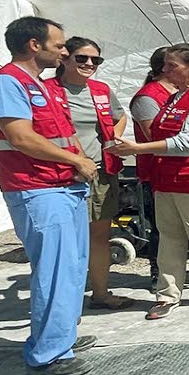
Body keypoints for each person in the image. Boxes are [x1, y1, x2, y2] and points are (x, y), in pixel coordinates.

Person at [0, 17, 98, 375]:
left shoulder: (43, 87)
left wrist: (79, 161)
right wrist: (77, 159)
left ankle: (60, 337)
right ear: (34, 44)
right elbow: (21, 138)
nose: (64, 52)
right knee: (55, 270)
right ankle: (48, 354)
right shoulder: (4, 84)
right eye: (59, 46)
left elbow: (63, 133)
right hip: (38, 189)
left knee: (72, 268)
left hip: (64, 186)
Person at [108, 43, 189, 320]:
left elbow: (188, 140)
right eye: (164, 65)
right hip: (168, 180)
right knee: (169, 239)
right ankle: (167, 294)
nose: (163, 71)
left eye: (170, 66)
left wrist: (137, 149)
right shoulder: (176, 97)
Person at [45, 37, 133, 312]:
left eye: (95, 60)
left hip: (100, 171)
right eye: (82, 58)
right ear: (64, 58)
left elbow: (120, 116)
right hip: (63, 175)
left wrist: (114, 138)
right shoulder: (45, 90)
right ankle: (63, 303)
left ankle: (100, 293)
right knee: (67, 241)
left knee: (98, 236)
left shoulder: (100, 90)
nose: (89, 64)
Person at [130, 47, 177, 290]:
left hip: (181, 170)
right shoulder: (148, 97)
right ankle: (158, 273)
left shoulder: (180, 93)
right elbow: (153, 135)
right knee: (162, 226)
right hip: (156, 171)